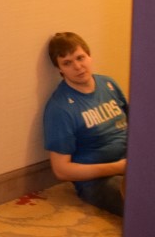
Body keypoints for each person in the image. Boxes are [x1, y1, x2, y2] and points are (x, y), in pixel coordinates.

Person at [42, 31, 129, 216]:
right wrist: (119, 167)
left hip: (130, 161)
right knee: (146, 203)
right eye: (67, 63)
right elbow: (61, 170)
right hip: (97, 180)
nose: (78, 66)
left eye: (80, 57)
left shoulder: (108, 84)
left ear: (89, 56)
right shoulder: (60, 108)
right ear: (60, 70)